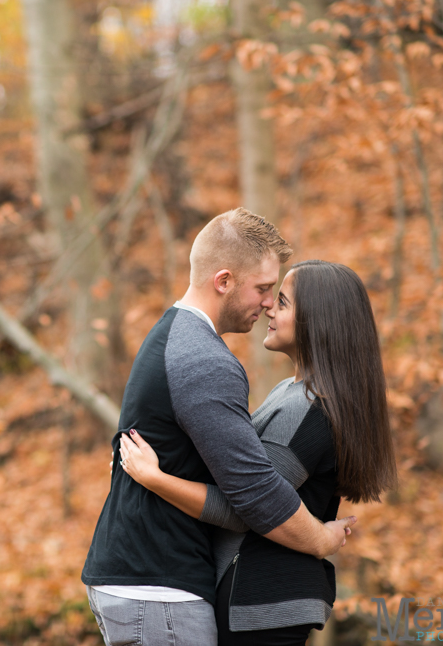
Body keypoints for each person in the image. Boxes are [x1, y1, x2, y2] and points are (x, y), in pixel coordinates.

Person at [81, 209, 357, 646]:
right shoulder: (206, 362)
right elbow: (256, 497)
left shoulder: (173, 335)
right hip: (158, 586)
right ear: (224, 280)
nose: (269, 302)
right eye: (265, 289)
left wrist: (157, 477)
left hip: (145, 576)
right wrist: (321, 539)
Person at [118, 259, 398, 646]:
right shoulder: (293, 392)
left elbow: (247, 508)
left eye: (282, 302)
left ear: (317, 321)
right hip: (258, 597)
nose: (268, 307)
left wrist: (156, 479)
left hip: (261, 602)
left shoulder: (310, 409)